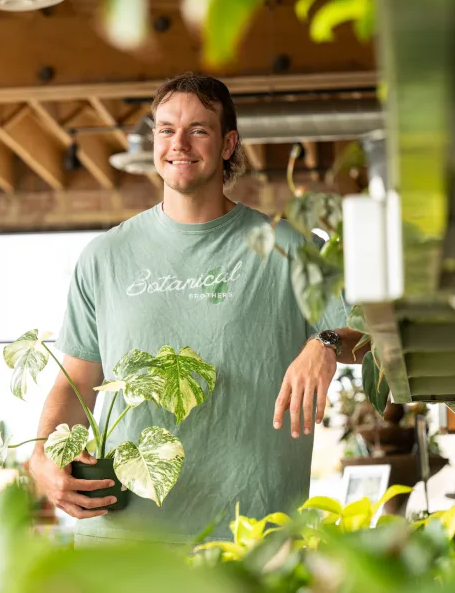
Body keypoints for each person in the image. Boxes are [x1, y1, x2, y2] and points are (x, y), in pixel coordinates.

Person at [27, 72, 365, 546]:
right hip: (122, 539)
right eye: (166, 129)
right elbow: (75, 382)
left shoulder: (288, 247)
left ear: (228, 144)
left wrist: (324, 342)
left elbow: (370, 337)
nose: (179, 144)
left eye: (198, 130)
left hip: (249, 536)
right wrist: (43, 454)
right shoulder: (104, 257)